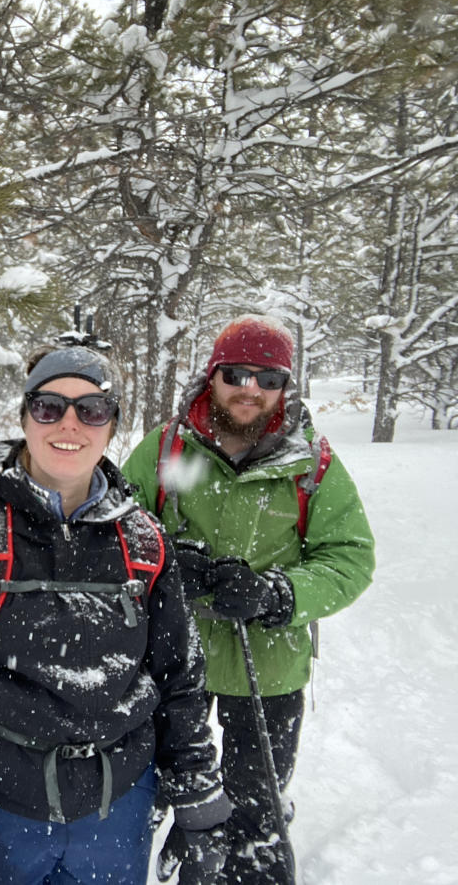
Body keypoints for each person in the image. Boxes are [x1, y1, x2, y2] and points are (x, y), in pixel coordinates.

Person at [0, 339, 232, 885]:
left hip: (116, 809)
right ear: (26, 415)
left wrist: (199, 802)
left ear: (112, 425)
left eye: (91, 410)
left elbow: (179, 682)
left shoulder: (144, 541)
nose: (69, 424)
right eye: (49, 406)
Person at [122, 313, 375, 884]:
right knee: (151, 782)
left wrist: (278, 593)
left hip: (270, 663)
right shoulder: (168, 448)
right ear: (213, 376)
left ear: (287, 386)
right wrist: (163, 560)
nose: (250, 388)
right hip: (169, 655)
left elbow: (350, 557)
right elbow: (116, 527)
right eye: (236, 373)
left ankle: (248, 860)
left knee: (253, 797)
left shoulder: (312, 463)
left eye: (269, 377)